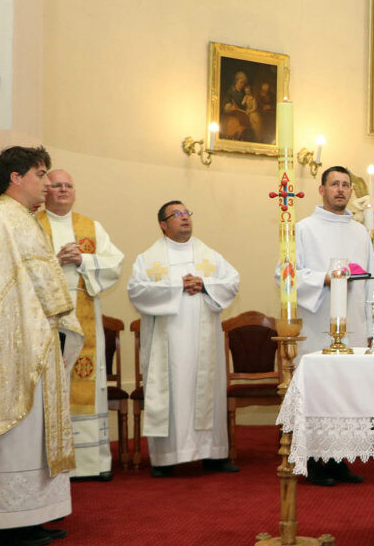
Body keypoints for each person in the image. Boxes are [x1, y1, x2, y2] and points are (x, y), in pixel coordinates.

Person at [0, 146, 79, 546]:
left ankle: (31, 515)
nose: (47, 183)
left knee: (34, 437)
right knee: (18, 437)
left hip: (35, 341)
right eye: (40, 175)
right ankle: (9, 522)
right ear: (15, 177)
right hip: (13, 349)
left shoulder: (22, 220)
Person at [293, 166, 374, 486]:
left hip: (353, 324)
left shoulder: (359, 232)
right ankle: (313, 461)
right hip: (317, 323)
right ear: (321, 190)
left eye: (346, 185)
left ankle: (340, 459)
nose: (340, 189)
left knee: (348, 392)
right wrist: (324, 279)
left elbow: (372, 280)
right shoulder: (303, 229)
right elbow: (287, 275)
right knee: (319, 392)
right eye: (334, 184)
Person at [128, 201, 240, 477]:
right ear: (163, 225)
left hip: (204, 341)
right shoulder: (148, 258)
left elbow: (232, 281)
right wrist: (178, 285)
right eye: (176, 214)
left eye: (187, 213)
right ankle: (166, 458)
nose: (185, 217)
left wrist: (205, 284)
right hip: (167, 343)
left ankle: (214, 454)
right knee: (171, 393)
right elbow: (137, 291)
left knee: (206, 391)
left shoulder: (209, 254)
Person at [37, 169, 125, 481]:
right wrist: (56, 260)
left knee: (85, 379)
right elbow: (20, 266)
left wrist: (83, 260)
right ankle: (50, 460)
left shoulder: (90, 226)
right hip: (45, 315)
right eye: (56, 185)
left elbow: (114, 262)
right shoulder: (33, 224)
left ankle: (90, 463)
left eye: (68, 185)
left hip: (83, 309)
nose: (63, 190)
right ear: (45, 191)